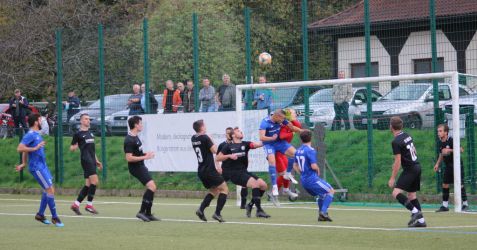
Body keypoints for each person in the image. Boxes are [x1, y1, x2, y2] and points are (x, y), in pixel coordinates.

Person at [15, 113, 64, 227]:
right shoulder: (31, 134)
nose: (42, 121)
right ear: (36, 122)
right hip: (37, 167)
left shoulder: (37, 134)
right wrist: (35, 148)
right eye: (41, 120)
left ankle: (40, 214)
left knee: (48, 189)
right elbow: (20, 148)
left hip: (42, 166)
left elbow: (25, 151)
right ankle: (55, 217)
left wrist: (23, 163)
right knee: (50, 190)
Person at [216, 127, 271, 218]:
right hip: (234, 174)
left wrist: (271, 139)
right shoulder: (228, 146)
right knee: (255, 184)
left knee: (263, 185)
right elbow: (218, 158)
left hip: (244, 172)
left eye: (240, 131)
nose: (240, 131)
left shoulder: (245, 144)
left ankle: (249, 206)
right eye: (238, 131)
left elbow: (258, 144)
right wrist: (229, 155)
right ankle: (259, 210)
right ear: (233, 135)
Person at [388, 116, 426, 227]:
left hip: (410, 169)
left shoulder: (395, 141)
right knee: (412, 196)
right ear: (402, 126)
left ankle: (415, 212)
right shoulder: (407, 136)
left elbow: (398, 161)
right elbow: (413, 150)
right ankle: (421, 222)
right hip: (417, 166)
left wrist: (392, 178)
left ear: (391, 127)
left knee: (396, 193)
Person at [259, 109, 301, 206]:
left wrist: (301, 131)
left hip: (281, 147)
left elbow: (293, 127)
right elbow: (265, 137)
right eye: (294, 113)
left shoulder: (284, 121)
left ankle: (286, 189)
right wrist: (273, 138)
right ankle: (274, 191)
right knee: (281, 173)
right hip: (273, 148)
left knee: (295, 158)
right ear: (277, 116)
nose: (284, 120)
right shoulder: (265, 123)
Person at [191, 120, 229, 223]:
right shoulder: (205, 138)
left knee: (214, 190)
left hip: (201, 170)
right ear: (202, 127)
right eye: (205, 125)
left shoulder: (193, 138)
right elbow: (216, 151)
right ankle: (217, 213)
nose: (206, 126)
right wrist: (211, 140)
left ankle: (201, 209)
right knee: (224, 189)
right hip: (209, 170)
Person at [124, 116, 159, 222]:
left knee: (152, 187)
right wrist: (145, 157)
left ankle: (148, 213)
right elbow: (129, 158)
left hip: (140, 166)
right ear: (135, 124)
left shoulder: (136, 137)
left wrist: (145, 154)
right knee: (152, 187)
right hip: (135, 168)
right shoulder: (129, 140)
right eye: (140, 123)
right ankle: (141, 212)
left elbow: (137, 153)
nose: (142, 125)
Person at [293, 130, 334, 222]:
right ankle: (323, 212)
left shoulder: (298, 151)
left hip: (304, 180)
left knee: (322, 195)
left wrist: (302, 173)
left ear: (301, 139)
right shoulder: (310, 150)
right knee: (330, 191)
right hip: (312, 179)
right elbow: (313, 166)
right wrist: (317, 169)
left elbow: (295, 166)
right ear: (311, 138)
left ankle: (321, 216)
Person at [70, 113, 103, 215]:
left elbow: (92, 150)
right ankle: (89, 205)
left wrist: (96, 160)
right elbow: (71, 148)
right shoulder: (78, 134)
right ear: (81, 121)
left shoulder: (90, 134)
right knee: (95, 181)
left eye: (89, 119)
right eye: (86, 119)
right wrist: (74, 147)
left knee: (88, 185)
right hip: (86, 160)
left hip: (92, 160)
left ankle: (75, 205)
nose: (88, 121)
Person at [434, 124, 469, 212]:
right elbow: (441, 154)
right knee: (445, 184)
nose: (438, 133)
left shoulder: (452, 140)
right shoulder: (440, 142)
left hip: (457, 165)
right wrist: (437, 164)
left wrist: (449, 150)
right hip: (448, 166)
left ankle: (465, 204)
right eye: (438, 131)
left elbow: (461, 150)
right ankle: (445, 206)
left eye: (440, 131)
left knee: (460, 184)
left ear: (446, 132)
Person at [216, 127, 249, 209]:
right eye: (226, 133)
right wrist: (218, 166)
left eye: (229, 133)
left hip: (236, 169)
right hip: (225, 169)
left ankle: (243, 204)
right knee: (218, 186)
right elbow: (217, 157)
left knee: (244, 184)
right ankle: (215, 201)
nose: (227, 134)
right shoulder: (222, 145)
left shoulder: (238, 143)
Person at [276, 109, 301, 199]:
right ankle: (277, 192)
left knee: (285, 174)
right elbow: (281, 136)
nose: (296, 114)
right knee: (284, 174)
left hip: (284, 148)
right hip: (278, 149)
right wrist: (291, 132)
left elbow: (298, 126)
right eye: (294, 113)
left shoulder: (290, 123)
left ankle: (284, 190)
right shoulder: (283, 124)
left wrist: (292, 121)